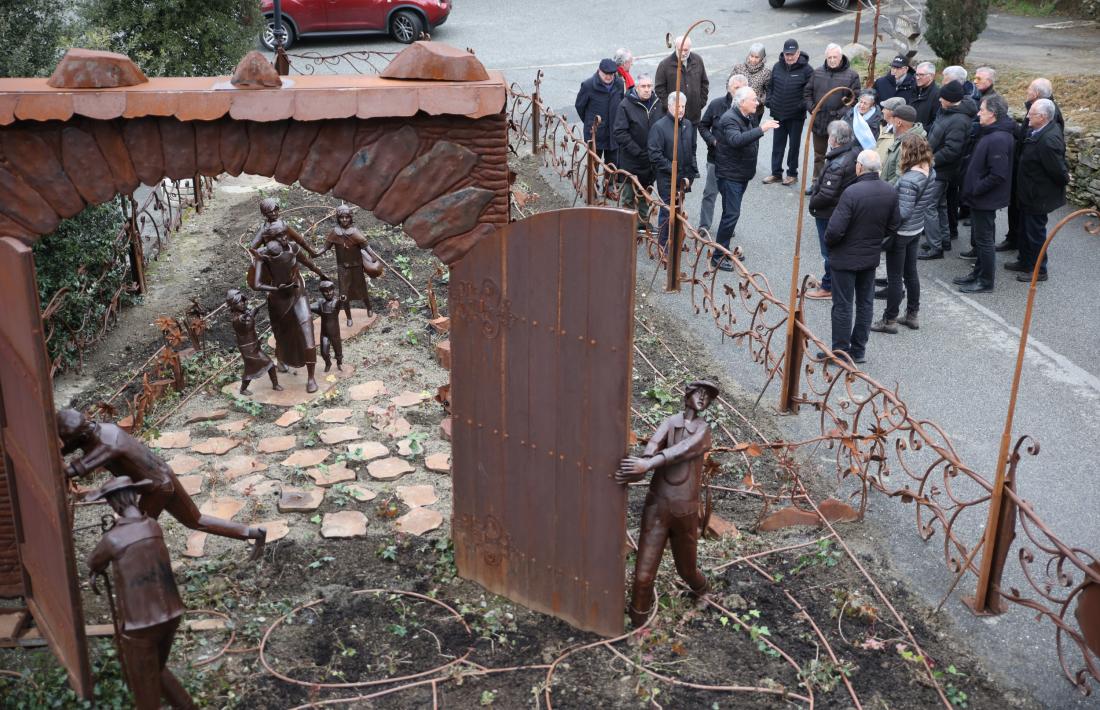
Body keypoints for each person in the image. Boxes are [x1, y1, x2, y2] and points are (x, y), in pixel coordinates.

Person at [57, 409, 267, 559]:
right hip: (163, 476)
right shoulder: (104, 429)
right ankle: (253, 533)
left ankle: (148, 572)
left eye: (68, 441)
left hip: (156, 488)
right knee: (196, 520)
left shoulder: (106, 444)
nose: (65, 446)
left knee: (138, 529)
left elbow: (75, 469)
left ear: (82, 436)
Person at [85, 476, 196, 710]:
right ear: (134, 498)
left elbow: (93, 561)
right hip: (172, 615)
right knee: (155, 669)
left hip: (141, 626)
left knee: (144, 688)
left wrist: (111, 531)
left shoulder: (113, 538)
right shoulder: (153, 526)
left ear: (114, 505)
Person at [616, 379, 719, 628]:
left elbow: (684, 449)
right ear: (688, 395)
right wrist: (641, 465)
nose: (703, 398)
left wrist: (649, 464)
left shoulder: (703, 430)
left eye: (708, 396)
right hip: (658, 508)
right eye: (700, 393)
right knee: (642, 576)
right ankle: (638, 623)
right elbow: (653, 445)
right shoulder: (670, 423)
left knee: (687, 569)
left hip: (685, 511)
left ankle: (705, 592)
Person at [822, 150, 900, 364]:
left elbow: (835, 230)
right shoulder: (890, 191)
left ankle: (840, 352)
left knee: (843, 305)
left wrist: (831, 244)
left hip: (845, 258)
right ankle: (858, 350)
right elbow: (894, 225)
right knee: (865, 303)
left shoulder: (852, 192)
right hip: (869, 257)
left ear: (859, 167)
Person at [250, 221, 329, 393]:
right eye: (280, 236)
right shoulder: (265, 254)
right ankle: (282, 359)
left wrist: (322, 274)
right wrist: (275, 288)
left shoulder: (293, 247)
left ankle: (310, 377)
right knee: (282, 333)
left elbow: (308, 263)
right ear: (272, 238)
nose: (285, 238)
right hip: (278, 299)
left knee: (307, 333)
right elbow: (256, 284)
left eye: (286, 234)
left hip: (297, 294)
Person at [871, 133, 935, 334]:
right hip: (917, 228)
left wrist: (885, 222)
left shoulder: (909, 180)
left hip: (902, 233)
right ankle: (911, 315)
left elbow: (903, 212)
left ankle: (889, 320)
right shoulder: (931, 171)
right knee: (911, 273)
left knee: (895, 277)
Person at [954, 95, 1015, 294]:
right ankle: (977, 273)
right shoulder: (992, 132)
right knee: (982, 239)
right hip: (980, 197)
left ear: (994, 114)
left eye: (982, 110)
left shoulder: (998, 138)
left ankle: (985, 281)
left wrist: (975, 188)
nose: (979, 113)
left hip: (985, 199)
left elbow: (998, 174)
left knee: (984, 241)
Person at [713, 87, 778, 270]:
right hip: (730, 175)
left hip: (740, 174)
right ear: (742, 102)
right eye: (754, 100)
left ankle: (723, 250)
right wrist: (761, 129)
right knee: (731, 215)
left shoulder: (745, 116)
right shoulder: (729, 119)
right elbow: (736, 140)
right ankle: (717, 256)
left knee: (731, 214)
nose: (757, 103)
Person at [1005, 98, 1068, 283]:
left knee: (1035, 233)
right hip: (1028, 192)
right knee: (1025, 229)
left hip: (1038, 195)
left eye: (1031, 114)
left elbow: (1057, 169)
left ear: (1042, 117)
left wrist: (1066, 178)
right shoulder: (1038, 130)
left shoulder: (1048, 140)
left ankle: (1039, 270)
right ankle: (1025, 262)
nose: (1027, 117)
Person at [1000, 78, 1065, 253]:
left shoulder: (1048, 127)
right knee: (1023, 220)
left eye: (1029, 89)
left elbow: (1055, 165)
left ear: (1035, 94)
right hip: (1026, 179)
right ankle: (1021, 251)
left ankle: (1036, 267)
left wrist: (1064, 178)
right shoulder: (1037, 110)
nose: (1028, 117)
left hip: (1035, 187)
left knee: (1034, 228)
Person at [807, 120, 860, 300]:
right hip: (840, 210)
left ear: (835, 140)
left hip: (829, 212)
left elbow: (826, 195)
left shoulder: (838, 163)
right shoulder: (853, 153)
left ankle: (829, 286)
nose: (828, 138)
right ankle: (833, 281)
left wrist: (812, 202)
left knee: (828, 251)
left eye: (830, 135)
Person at [920, 81, 973, 260]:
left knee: (929, 206)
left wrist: (929, 162)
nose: (940, 99)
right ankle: (943, 240)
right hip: (939, 168)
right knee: (940, 205)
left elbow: (952, 150)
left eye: (943, 97)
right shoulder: (947, 111)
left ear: (950, 100)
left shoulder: (958, 120)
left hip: (942, 170)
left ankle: (935, 247)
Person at [613, 73, 664, 232]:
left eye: (649, 86)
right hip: (632, 160)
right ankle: (626, 227)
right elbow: (620, 132)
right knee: (628, 195)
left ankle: (642, 223)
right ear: (636, 87)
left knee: (645, 193)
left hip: (650, 160)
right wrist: (637, 151)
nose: (647, 90)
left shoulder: (658, 104)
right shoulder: (625, 105)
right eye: (643, 86)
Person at [647, 92, 698, 253]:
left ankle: (676, 240)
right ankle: (664, 246)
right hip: (667, 177)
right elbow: (655, 155)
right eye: (677, 107)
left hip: (684, 177)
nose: (681, 110)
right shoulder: (659, 127)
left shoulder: (688, 125)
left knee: (679, 210)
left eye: (683, 106)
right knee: (667, 212)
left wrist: (692, 171)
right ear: (669, 107)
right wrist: (672, 169)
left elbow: (692, 149)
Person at [805, 43, 862, 182]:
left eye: (835, 57)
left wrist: (839, 113)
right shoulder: (817, 72)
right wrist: (813, 108)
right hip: (819, 121)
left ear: (841, 57)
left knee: (838, 155)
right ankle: (816, 182)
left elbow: (854, 98)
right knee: (819, 155)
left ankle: (834, 183)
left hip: (839, 124)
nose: (832, 60)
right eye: (829, 57)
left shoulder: (852, 76)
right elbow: (807, 92)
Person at [697, 74, 747, 234]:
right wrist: (712, 141)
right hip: (715, 158)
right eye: (736, 88)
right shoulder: (716, 104)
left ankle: (727, 226)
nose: (739, 92)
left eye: (742, 88)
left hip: (735, 162)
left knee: (730, 196)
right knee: (710, 193)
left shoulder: (747, 109)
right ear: (729, 88)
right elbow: (703, 125)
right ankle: (704, 225)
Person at [319, 204, 380, 324]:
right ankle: (349, 317)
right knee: (344, 294)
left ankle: (369, 308)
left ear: (350, 218)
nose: (344, 220)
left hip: (357, 267)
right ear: (338, 218)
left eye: (347, 217)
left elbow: (366, 247)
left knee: (362, 290)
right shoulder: (335, 233)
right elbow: (325, 247)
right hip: (343, 269)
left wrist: (374, 257)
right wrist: (316, 253)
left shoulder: (355, 232)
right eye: (341, 217)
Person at [763, 38, 812, 186]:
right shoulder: (777, 66)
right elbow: (770, 86)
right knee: (777, 145)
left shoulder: (807, 70)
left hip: (796, 116)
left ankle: (792, 174)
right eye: (787, 54)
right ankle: (776, 173)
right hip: (778, 113)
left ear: (798, 53)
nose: (789, 57)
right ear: (783, 53)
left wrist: (801, 106)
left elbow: (810, 92)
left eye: (792, 54)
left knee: (794, 146)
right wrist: (769, 101)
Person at [575, 58, 625, 192]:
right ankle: (592, 189)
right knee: (594, 163)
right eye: (605, 74)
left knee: (612, 163)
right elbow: (580, 106)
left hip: (613, 132)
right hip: (595, 133)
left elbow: (621, 103)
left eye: (611, 74)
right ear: (599, 71)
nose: (609, 77)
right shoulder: (588, 85)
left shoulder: (619, 83)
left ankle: (608, 188)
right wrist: (590, 123)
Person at [226, 288, 281, 395]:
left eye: (242, 301)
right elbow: (242, 321)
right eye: (238, 302)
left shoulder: (245, 314)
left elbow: (254, 310)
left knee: (266, 365)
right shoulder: (237, 319)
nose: (242, 303)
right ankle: (243, 389)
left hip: (254, 346)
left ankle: (275, 385)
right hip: (248, 350)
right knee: (255, 368)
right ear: (233, 305)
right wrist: (247, 315)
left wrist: (265, 301)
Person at [655, 36, 709, 126]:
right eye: (680, 50)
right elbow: (659, 88)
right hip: (673, 119)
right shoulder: (665, 65)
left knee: (691, 140)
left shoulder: (697, 60)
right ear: (675, 48)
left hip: (693, 117)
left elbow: (704, 83)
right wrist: (669, 106)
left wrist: (700, 102)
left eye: (686, 50)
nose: (683, 53)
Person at [251, 197, 319, 257]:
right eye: (270, 212)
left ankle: (310, 257)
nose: (274, 213)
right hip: (273, 257)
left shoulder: (283, 225)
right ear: (264, 213)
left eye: (275, 210)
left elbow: (299, 240)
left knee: (306, 262)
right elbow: (252, 248)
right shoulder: (264, 229)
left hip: (289, 253)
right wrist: (264, 254)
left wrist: (310, 250)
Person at [882, 104, 926, 185]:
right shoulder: (904, 138)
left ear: (899, 123)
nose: (891, 124)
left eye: (893, 120)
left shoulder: (909, 144)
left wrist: (883, 189)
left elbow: (900, 178)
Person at [311, 281, 347, 372]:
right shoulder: (320, 304)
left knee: (338, 351)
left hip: (335, 333)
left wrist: (342, 298)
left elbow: (340, 301)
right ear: (322, 293)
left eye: (331, 290)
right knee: (324, 352)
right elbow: (309, 307)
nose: (329, 293)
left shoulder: (336, 303)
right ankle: (328, 363)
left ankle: (339, 363)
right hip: (324, 334)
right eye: (326, 291)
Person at [730, 43, 771, 121]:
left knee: (753, 132)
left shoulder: (766, 72)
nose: (753, 60)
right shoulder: (739, 68)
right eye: (751, 56)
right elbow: (729, 84)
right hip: (738, 108)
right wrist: (736, 97)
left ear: (762, 58)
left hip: (756, 111)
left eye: (757, 57)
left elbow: (769, 91)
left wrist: (758, 100)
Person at [876, 96, 907, 161]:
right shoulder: (882, 127)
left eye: (885, 108)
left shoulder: (899, 135)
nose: (882, 110)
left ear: (892, 112)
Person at [911, 61, 941, 128]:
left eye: (921, 75)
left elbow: (936, 122)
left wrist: (920, 131)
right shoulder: (913, 90)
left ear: (931, 76)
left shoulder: (937, 95)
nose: (917, 78)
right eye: (917, 74)